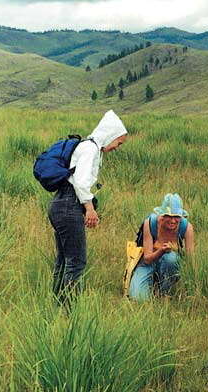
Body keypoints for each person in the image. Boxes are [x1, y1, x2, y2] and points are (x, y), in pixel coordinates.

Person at [48, 110, 127, 304]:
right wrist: (90, 209)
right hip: (69, 205)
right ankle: (70, 309)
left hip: (60, 204)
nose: (117, 147)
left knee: (64, 260)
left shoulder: (87, 148)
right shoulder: (90, 149)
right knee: (76, 262)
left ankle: (58, 304)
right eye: (118, 142)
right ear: (111, 135)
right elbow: (81, 183)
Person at [129, 193, 195, 301]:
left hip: (170, 265)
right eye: (168, 216)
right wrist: (161, 251)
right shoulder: (150, 223)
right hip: (149, 263)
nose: (173, 221)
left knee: (171, 258)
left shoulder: (187, 227)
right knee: (137, 298)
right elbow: (147, 258)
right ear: (161, 215)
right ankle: (150, 283)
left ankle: (164, 292)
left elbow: (190, 260)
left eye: (176, 217)